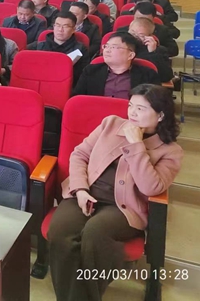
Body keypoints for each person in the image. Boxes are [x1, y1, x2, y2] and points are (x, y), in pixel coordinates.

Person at [48, 84, 182, 301]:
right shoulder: (110, 124)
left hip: (123, 208)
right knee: (60, 232)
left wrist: (137, 145)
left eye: (141, 108)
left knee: (95, 233)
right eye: (131, 106)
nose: (132, 113)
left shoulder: (170, 151)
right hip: (86, 193)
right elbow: (79, 154)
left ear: (160, 115)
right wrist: (80, 189)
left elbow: (151, 187)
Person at [73, 32, 160, 97]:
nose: (107, 50)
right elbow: (77, 99)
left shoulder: (148, 75)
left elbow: (156, 104)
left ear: (130, 55)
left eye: (114, 47)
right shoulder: (90, 71)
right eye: (106, 46)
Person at [29, 12, 89, 80]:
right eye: (57, 25)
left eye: (65, 26)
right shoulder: (38, 46)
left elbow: (82, 76)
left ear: (73, 29)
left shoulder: (81, 50)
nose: (60, 30)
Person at [127, 18, 173, 82]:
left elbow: (166, 77)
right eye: (132, 33)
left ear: (149, 36)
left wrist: (152, 53)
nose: (134, 37)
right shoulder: (119, 45)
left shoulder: (159, 51)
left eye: (141, 35)